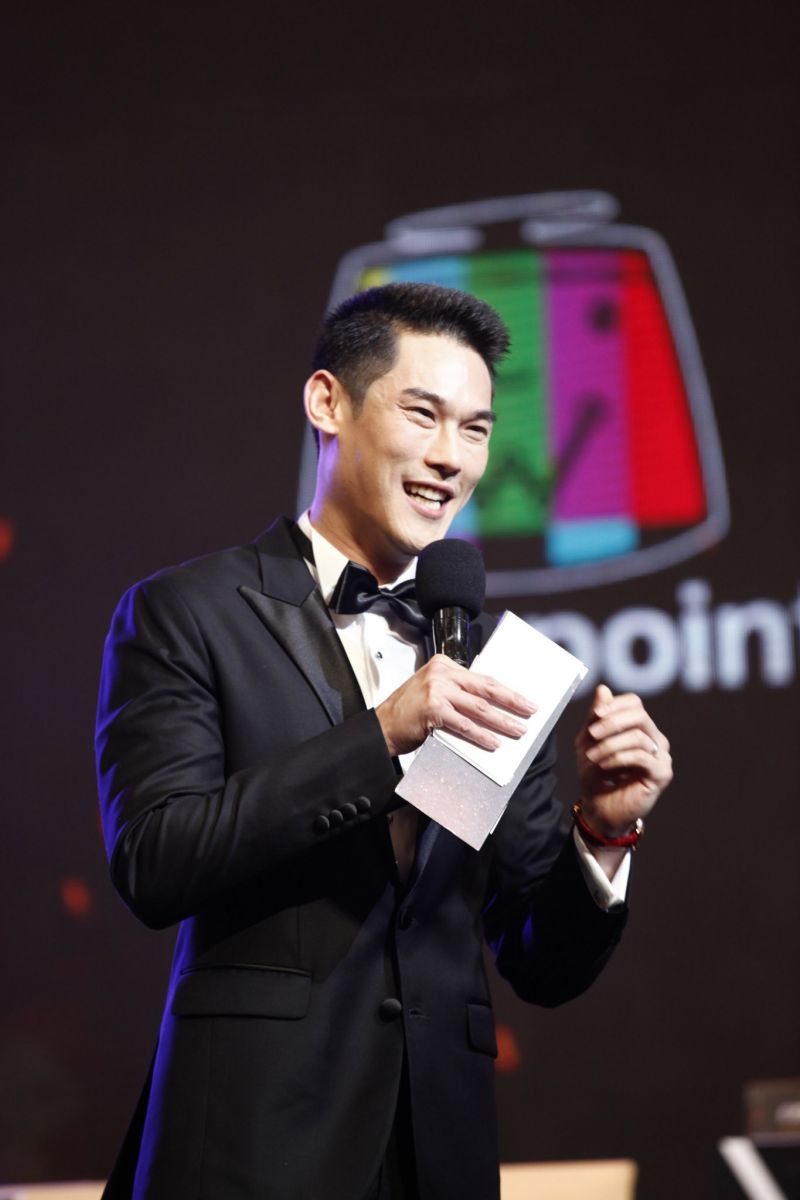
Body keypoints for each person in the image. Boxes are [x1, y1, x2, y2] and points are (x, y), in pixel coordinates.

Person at [96, 282, 673, 1200]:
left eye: (476, 429)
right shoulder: (190, 613)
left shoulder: (494, 660)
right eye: (423, 414)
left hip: (437, 1152)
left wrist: (602, 831)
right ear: (329, 403)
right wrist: (382, 734)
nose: (451, 457)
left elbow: (543, 963)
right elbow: (156, 860)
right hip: (250, 1146)